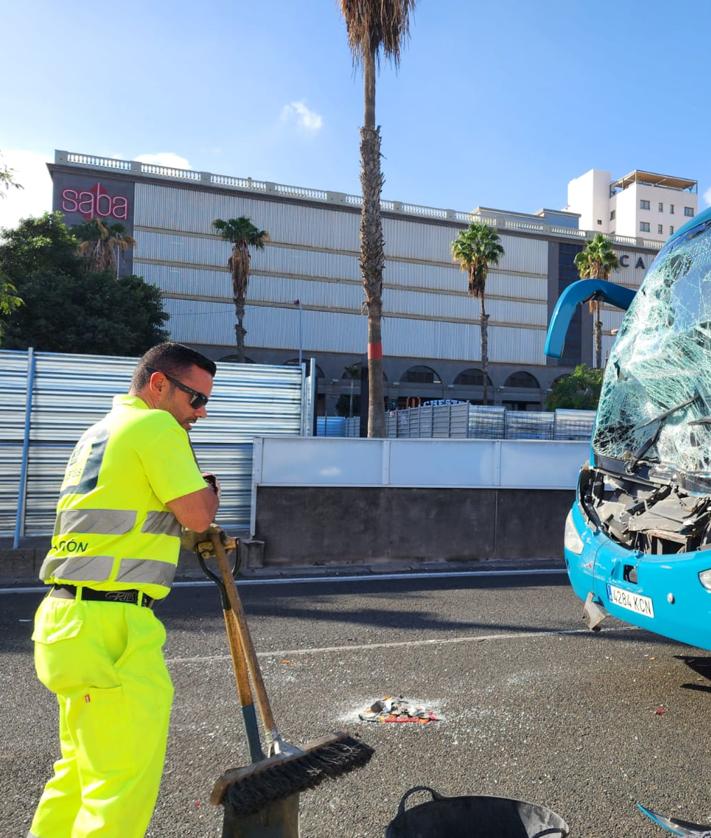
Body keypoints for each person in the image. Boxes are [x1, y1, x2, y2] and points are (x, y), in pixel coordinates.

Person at [29, 342, 220, 838]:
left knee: (78, 771)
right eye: (194, 399)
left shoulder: (101, 431)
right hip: (113, 623)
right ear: (159, 384)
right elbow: (197, 516)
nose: (199, 414)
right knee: (119, 784)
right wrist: (210, 492)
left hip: (65, 618)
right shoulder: (156, 426)